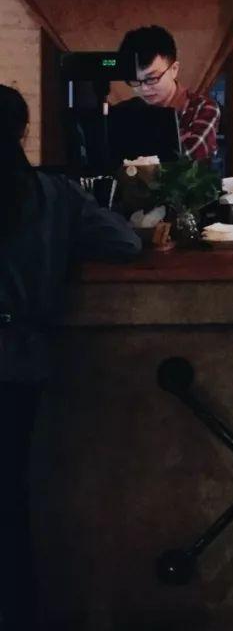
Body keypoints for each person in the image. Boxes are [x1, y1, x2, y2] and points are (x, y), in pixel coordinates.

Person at [0, 84, 140, 630]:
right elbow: (124, 243)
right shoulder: (51, 195)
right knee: (11, 498)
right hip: (19, 359)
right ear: (23, 132)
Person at [116, 25, 221, 162]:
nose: (144, 88)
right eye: (135, 80)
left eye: (152, 78)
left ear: (174, 69)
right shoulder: (126, 111)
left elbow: (183, 163)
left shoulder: (202, 108)